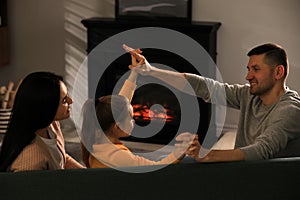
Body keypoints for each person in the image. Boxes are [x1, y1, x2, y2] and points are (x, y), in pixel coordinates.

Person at [124, 43, 300, 162]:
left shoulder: (289, 110)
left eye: (256, 69)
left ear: (278, 72)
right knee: (175, 164)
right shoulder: (250, 95)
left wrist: (206, 155)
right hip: (243, 172)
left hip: (263, 182)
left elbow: (262, 150)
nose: (248, 76)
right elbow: (205, 87)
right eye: (248, 69)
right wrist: (150, 70)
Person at [80, 53, 196, 168]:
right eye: (130, 117)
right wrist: (179, 153)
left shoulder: (98, 142)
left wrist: (134, 73)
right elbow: (157, 168)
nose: (134, 119)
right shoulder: (118, 157)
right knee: (186, 162)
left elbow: (120, 107)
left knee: (164, 156)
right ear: (118, 126)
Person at [0, 72, 85, 172]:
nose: (71, 101)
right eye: (64, 100)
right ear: (46, 108)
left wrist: (88, 174)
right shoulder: (31, 159)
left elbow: (61, 159)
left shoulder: (52, 124)